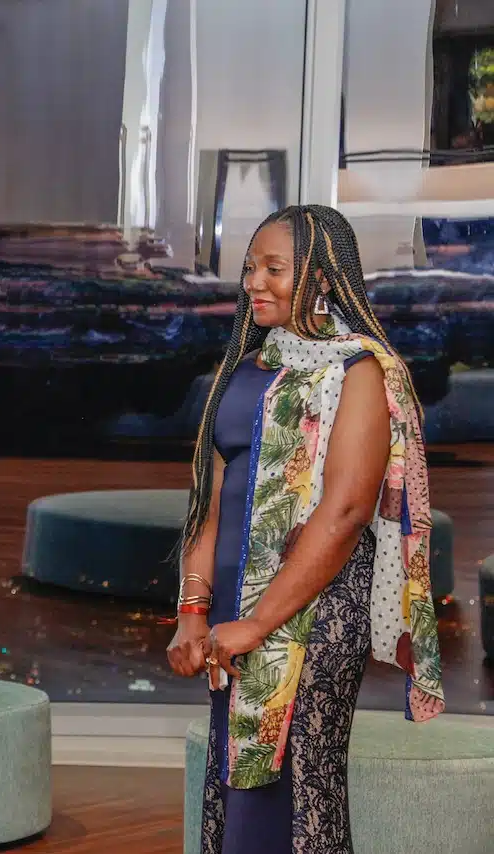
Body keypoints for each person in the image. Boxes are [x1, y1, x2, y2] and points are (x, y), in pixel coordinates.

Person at [166, 204, 445, 853]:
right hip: (231, 612)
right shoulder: (246, 370)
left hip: (313, 615)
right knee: (236, 783)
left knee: (296, 792)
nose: (253, 283)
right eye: (249, 269)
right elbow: (208, 499)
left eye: (273, 269)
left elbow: (345, 514)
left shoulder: (358, 371)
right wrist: (193, 612)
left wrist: (258, 624)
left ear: (320, 277)